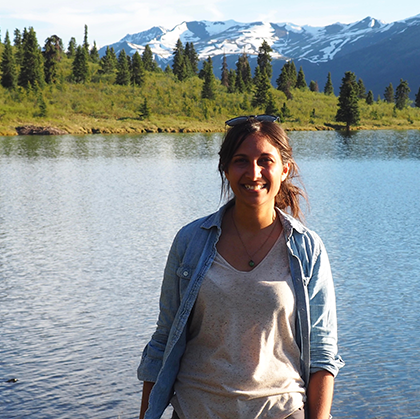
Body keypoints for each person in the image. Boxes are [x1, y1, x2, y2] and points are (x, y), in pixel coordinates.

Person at [137, 115, 343, 419]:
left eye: (265, 160)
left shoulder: (307, 248)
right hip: (196, 410)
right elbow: (163, 339)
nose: (254, 172)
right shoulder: (191, 241)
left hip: (280, 411)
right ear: (226, 169)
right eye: (241, 160)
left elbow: (323, 354)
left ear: (284, 169)